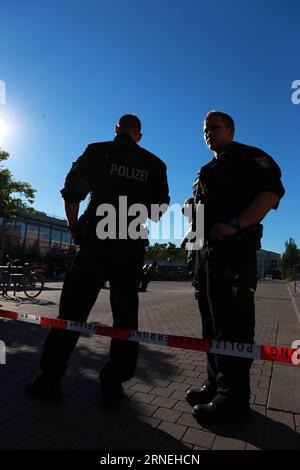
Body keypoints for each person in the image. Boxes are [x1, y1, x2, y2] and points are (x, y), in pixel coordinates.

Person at [26, 114, 170, 409]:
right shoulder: (155, 164)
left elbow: (72, 192)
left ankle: (50, 379)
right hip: (130, 246)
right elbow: (158, 211)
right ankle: (113, 385)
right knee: (125, 318)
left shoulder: (97, 150)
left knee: (70, 314)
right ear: (139, 136)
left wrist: (73, 226)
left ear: (116, 129)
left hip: (94, 245)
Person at [184, 110, 285, 421]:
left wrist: (236, 224)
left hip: (233, 255)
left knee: (234, 327)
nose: (208, 134)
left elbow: (269, 195)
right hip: (205, 256)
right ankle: (216, 384)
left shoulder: (249, 157)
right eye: (205, 130)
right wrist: (191, 209)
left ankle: (234, 399)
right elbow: (201, 211)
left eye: (215, 128)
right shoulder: (206, 170)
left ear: (230, 129)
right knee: (211, 327)